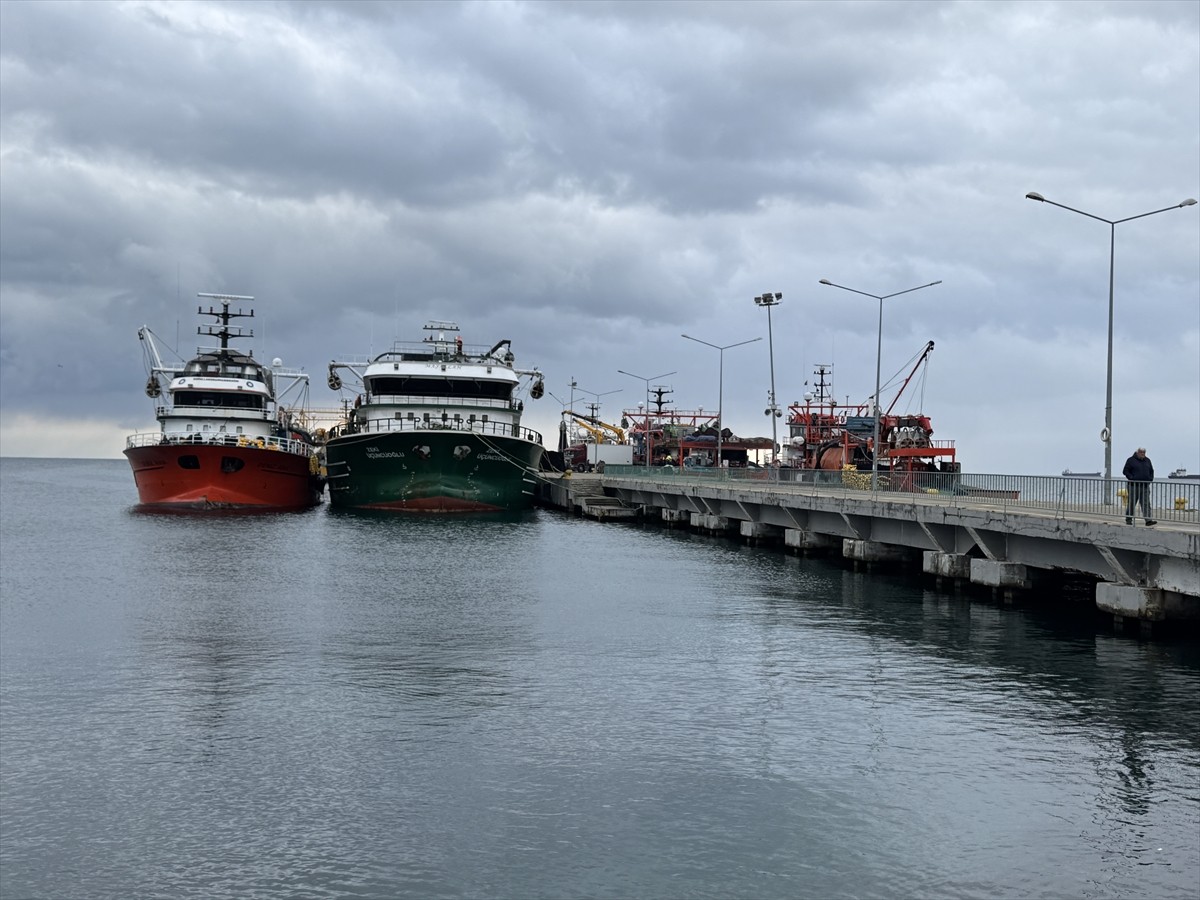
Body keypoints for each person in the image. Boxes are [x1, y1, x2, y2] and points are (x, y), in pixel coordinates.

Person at [1122, 447, 1156, 526]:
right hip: (1133, 486)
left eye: (1144, 452)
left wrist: (1150, 479)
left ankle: (1148, 520)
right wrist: (1131, 477)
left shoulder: (1148, 460)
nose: (1142, 454)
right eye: (1141, 452)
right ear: (1137, 452)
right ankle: (1128, 519)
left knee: (1146, 503)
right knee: (1132, 503)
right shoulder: (1130, 460)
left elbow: (1151, 471)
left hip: (1145, 486)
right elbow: (1125, 471)